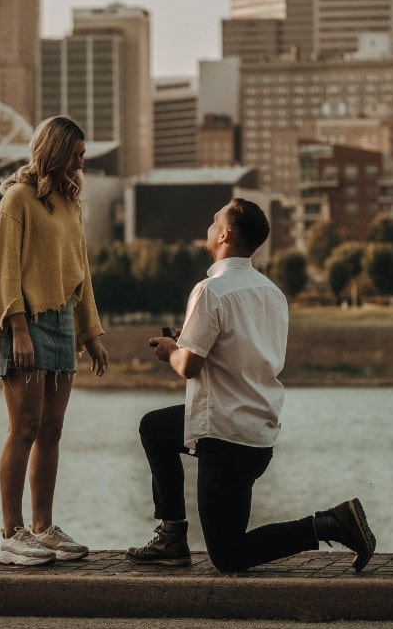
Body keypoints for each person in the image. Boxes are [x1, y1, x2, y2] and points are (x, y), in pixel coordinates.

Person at [124, 198, 376, 573]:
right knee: (156, 428)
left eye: (214, 220)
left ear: (225, 234)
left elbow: (189, 366)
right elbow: (238, 348)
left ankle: (331, 523)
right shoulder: (272, 293)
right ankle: (172, 534)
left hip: (223, 436)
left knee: (228, 555)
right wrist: (191, 341)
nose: (209, 225)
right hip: (255, 434)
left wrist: (171, 350)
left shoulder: (211, 290)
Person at [0, 115, 109, 566]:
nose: (82, 161)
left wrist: (90, 332)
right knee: (25, 428)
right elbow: (4, 271)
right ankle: (10, 535)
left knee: (52, 431)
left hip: (61, 324)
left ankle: (43, 528)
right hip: (26, 321)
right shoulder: (17, 200)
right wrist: (17, 328)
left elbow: (81, 272)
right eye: (76, 153)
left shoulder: (70, 205)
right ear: (55, 151)